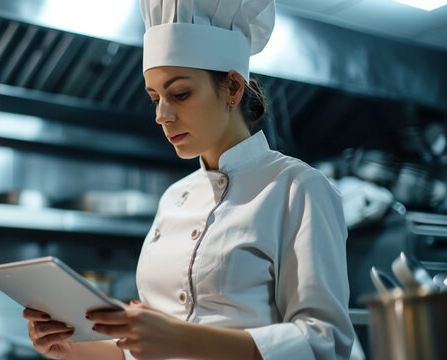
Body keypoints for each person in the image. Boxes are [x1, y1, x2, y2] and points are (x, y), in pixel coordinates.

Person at [22, 0, 354, 359]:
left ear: (232, 88)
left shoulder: (298, 188)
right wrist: (71, 346)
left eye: (179, 94)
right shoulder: (173, 198)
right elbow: (145, 351)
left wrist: (183, 339)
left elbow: (325, 343)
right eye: (155, 98)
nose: (162, 115)